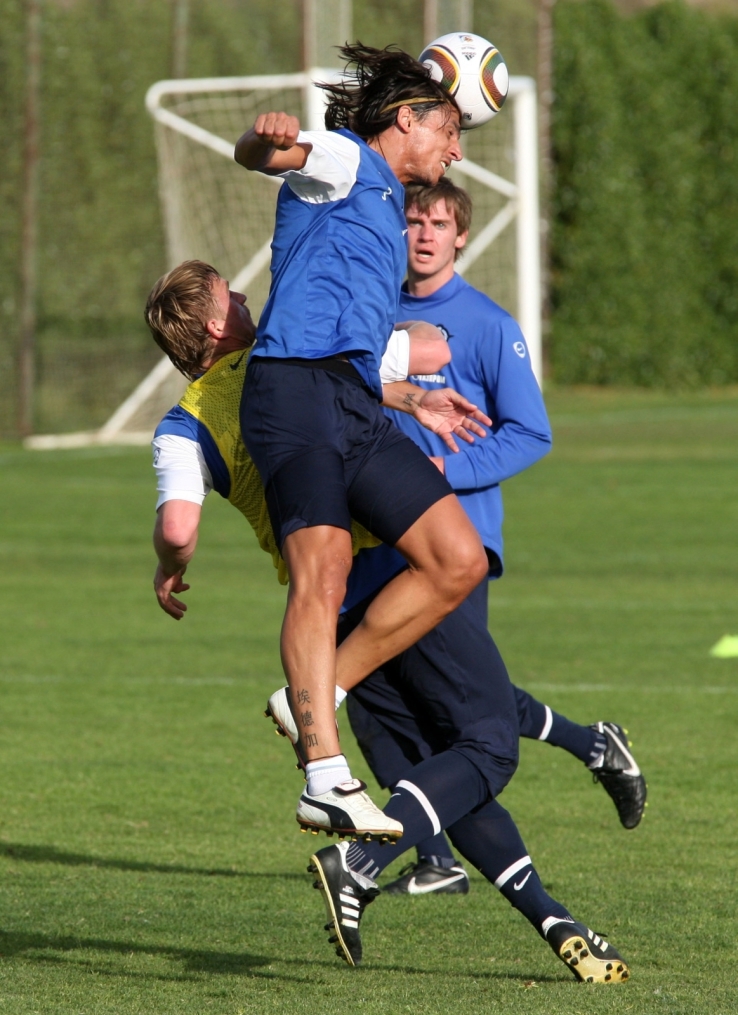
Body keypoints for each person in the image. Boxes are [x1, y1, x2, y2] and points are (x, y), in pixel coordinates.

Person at [145, 256, 636, 982]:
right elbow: (434, 344)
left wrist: (167, 562)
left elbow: (180, 526)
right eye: (232, 294)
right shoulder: (298, 351)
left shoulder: (179, 426)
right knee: (489, 744)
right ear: (218, 322)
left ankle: (555, 919)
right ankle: (361, 860)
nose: (247, 296)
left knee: (443, 768)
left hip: (324, 619)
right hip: (394, 575)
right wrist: (390, 337)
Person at [233, 44, 493, 837]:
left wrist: (410, 395)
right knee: (325, 566)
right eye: (449, 130)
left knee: (459, 557)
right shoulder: (347, 158)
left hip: (347, 397)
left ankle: (318, 688)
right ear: (404, 119)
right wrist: (263, 140)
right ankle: (324, 774)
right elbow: (269, 154)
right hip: (291, 391)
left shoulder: (384, 201)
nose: (455, 150)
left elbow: (348, 334)